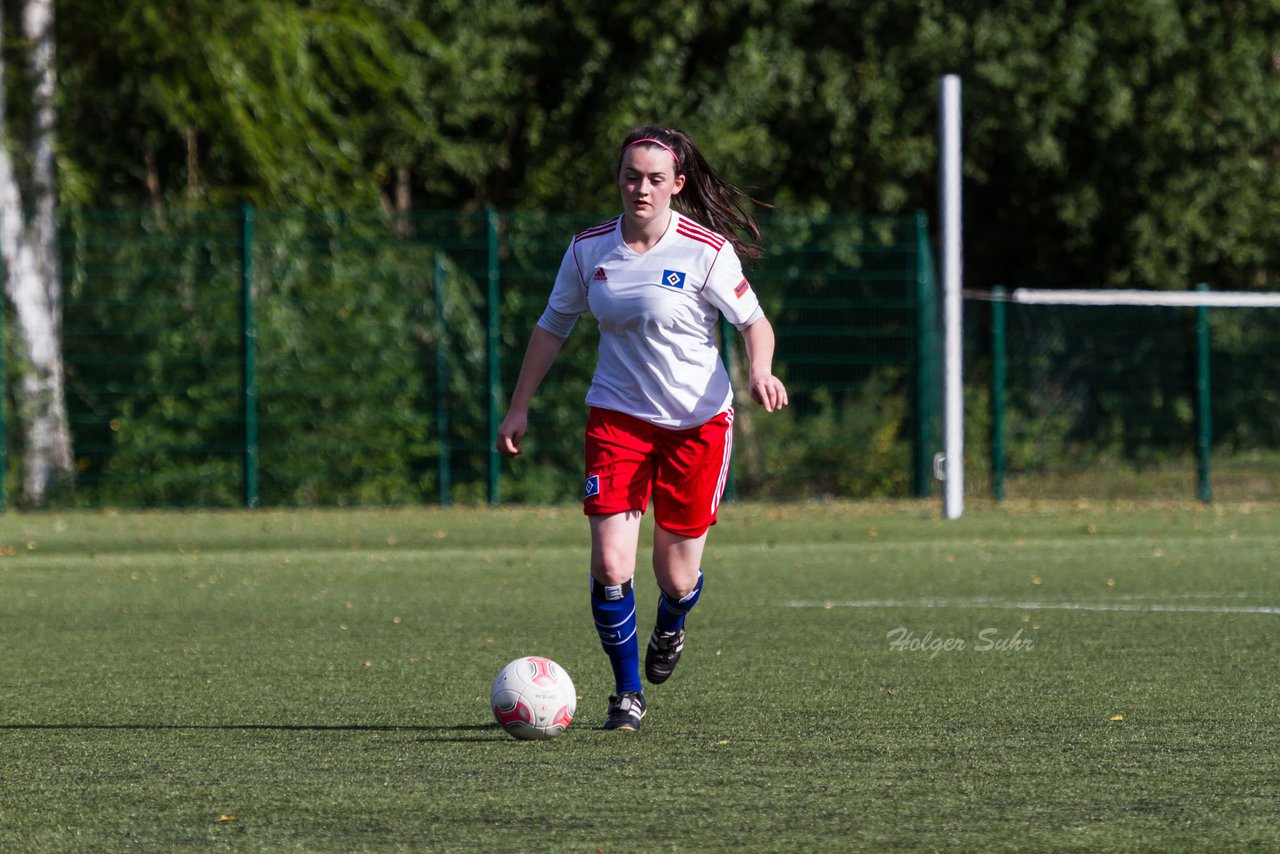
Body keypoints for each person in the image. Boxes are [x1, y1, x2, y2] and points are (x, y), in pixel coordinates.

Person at [496, 125, 788, 732]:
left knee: (676, 577)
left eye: (657, 179)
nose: (642, 189)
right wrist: (518, 405)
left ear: (678, 185)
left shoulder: (705, 251)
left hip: (697, 426)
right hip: (617, 421)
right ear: (619, 181)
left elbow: (755, 323)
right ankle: (626, 694)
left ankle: (673, 622)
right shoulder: (588, 250)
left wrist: (760, 369)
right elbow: (553, 326)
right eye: (632, 176)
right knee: (610, 565)